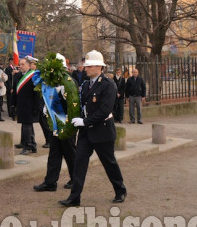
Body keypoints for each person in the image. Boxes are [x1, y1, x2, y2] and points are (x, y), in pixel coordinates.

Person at [59, 50, 127, 207]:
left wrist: (85, 121)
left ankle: (120, 190)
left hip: (102, 131)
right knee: (79, 163)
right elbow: (80, 104)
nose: (86, 68)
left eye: (89, 66)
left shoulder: (108, 85)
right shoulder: (85, 84)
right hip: (86, 132)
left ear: (99, 67)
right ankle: (74, 197)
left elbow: (105, 110)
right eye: (86, 65)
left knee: (109, 163)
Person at [33, 53, 76, 192]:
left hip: (66, 122)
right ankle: (50, 182)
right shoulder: (50, 84)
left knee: (70, 153)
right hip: (54, 123)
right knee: (54, 152)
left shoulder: (69, 81)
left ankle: (76, 179)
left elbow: (73, 104)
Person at [13, 57, 40, 154]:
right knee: (26, 126)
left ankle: (28, 146)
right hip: (21, 105)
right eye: (20, 64)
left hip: (30, 106)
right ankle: (32, 145)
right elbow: (15, 91)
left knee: (27, 127)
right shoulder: (19, 75)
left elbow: (37, 94)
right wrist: (13, 104)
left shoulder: (33, 76)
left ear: (29, 65)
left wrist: (36, 108)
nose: (20, 66)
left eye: (23, 64)